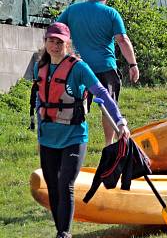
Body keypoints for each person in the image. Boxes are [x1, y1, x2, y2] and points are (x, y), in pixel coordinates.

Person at [34, 22, 130, 238]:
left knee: (65, 184)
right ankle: (61, 230)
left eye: (60, 41)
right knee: (52, 186)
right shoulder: (40, 66)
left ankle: (64, 234)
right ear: (45, 41)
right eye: (51, 40)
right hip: (48, 137)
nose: (55, 45)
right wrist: (39, 137)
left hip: (74, 136)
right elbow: (40, 103)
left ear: (67, 43)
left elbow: (103, 94)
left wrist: (120, 121)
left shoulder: (79, 68)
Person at [57, 0, 139, 146]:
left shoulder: (72, 11)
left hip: (78, 68)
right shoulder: (111, 13)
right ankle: (108, 144)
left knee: (74, 105)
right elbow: (122, 40)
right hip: (105, 68)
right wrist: (132, 64)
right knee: (109, 106)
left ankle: (71, 142)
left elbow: (57, 31)